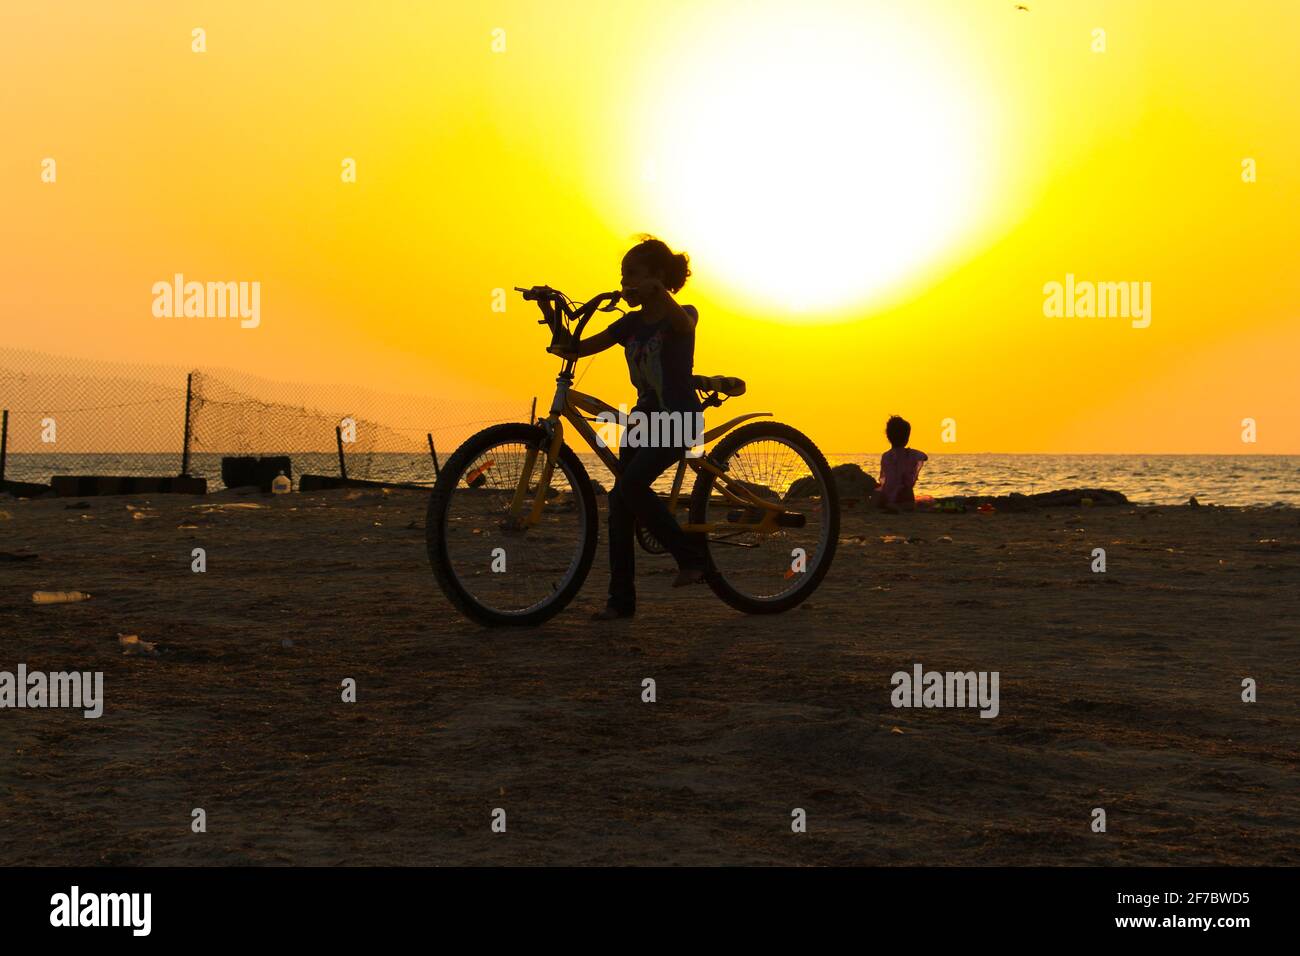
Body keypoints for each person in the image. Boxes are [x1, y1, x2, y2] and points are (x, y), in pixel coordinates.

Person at [553, 236, 709, 620]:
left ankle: (691, 559)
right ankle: (620, 602)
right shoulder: (630, 323)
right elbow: (582, 347)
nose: (625, 283)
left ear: (657, 276)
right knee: (620, 505)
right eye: (622, 276)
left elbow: (684, 325)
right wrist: (557, 325)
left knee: (631, 486)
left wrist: (660, 293)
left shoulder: (682, 311)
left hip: (679, 418)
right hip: (643, 421)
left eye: (632, 275)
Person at [877, 415, 928, 512]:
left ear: (888, 437)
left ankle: (892, 505)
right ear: (906, 438)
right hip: (905, 495)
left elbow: (884, 478)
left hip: (889, 494)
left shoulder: (886, 456)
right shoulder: (910, 454)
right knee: (907, 495)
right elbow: (925, 457)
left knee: (879, 494)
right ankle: (900, 507)